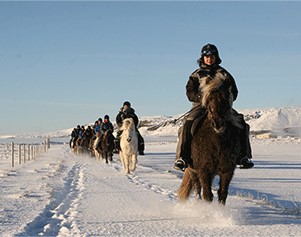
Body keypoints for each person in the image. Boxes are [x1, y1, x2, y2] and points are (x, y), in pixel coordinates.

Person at [174, 43, 254, 171]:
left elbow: (234, 91)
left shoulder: (224, 74)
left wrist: (226, 100)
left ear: (216, 57)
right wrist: (202, 98)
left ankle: (243, 156)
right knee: (187, 124)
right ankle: (182, 157)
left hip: (222, 106)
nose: (209, 59)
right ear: (203, 58)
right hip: (201, 106)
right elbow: (190, 92)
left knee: (241, 123)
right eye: (206, 56)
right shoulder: (196, 75)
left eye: (212, 56)